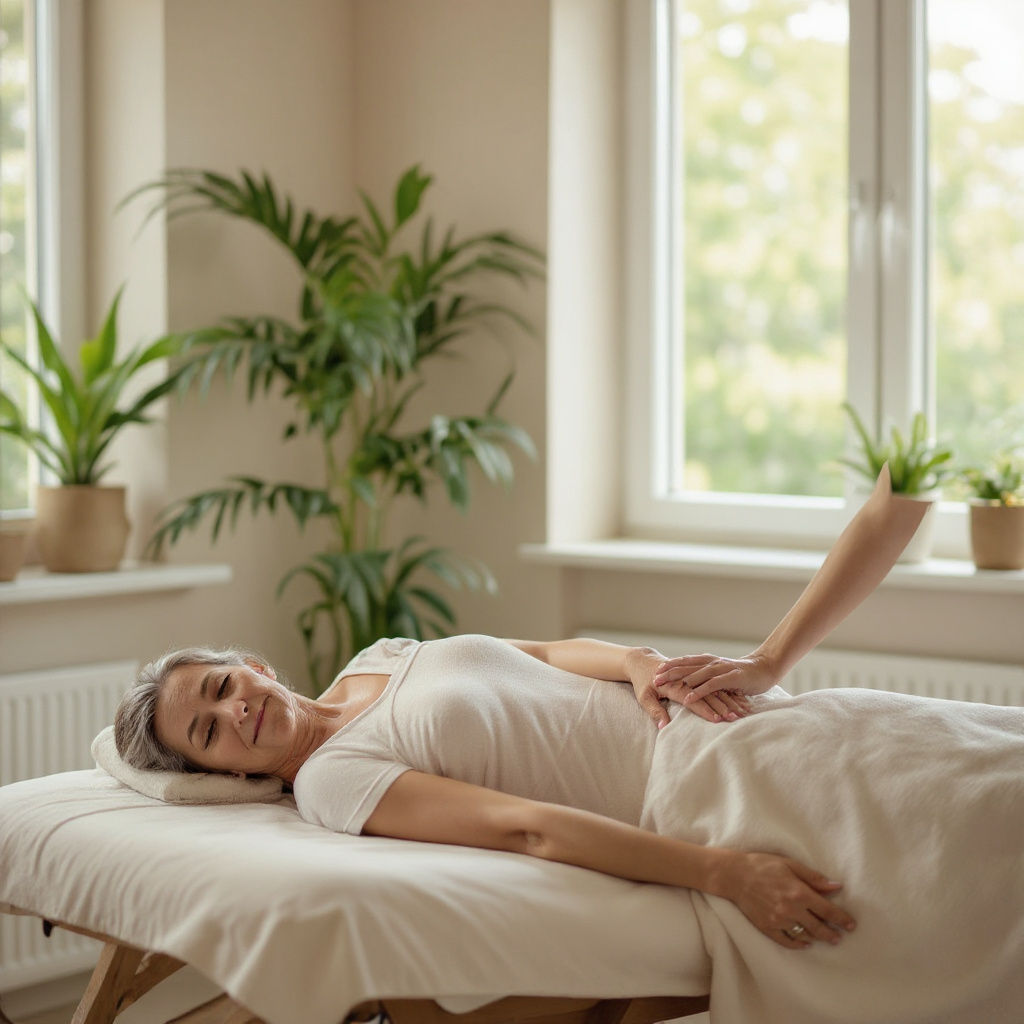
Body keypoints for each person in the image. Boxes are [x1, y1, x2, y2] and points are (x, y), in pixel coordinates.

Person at [115, 470, 1024, 1023]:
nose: (234, 715)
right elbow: (527, 829)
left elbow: (545, 655)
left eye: (222, 688)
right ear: (224, 776)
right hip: (710, 792)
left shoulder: (379, 656)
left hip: (756, 719)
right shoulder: (335, 782)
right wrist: (725, 873)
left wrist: (635, 662)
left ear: (254, 665)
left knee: (975, 756)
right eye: (208, 733)